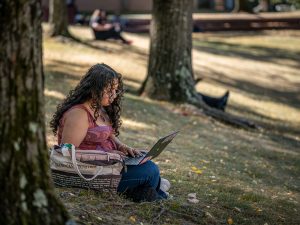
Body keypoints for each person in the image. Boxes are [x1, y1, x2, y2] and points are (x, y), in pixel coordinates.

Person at [50, 63, 169, 202]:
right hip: (91, 172)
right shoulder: (79, 114)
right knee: (151, 171)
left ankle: (147, 191)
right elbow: (66, 153)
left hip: (109, 165)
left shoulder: (100, 108)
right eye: (109, 90)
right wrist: (107, 155)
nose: (113, 95)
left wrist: (121, 146)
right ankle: (153, 194)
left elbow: (108, 134)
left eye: (116, 90)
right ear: (94, 89)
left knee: (147, 166)